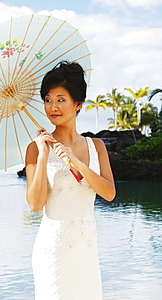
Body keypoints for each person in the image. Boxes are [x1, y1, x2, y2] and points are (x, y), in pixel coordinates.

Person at [25, 61, 115, 300]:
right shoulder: (35, 149)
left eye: (60, 99)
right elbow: (35, 205)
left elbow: (109, 193)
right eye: (47, 99)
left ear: (78, 104)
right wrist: (43, 156)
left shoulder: (95, 146)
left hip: (86, 251)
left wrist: (79, 164)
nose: (52, 107)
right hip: (53, 251)